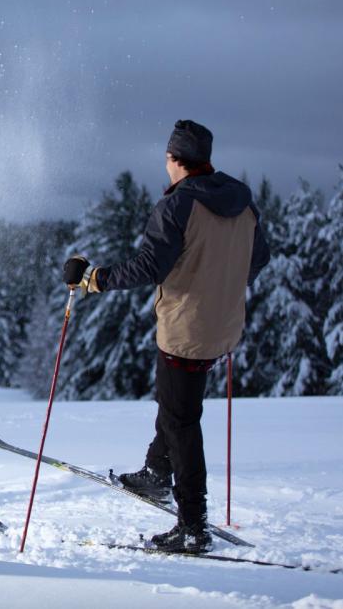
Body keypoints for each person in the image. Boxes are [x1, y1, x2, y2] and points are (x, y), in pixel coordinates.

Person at [62, 120, 270, 554]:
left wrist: (94, 279)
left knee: (181, 421)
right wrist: (223, 286)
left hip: (185, 329)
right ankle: (157, 472)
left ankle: (193, 525)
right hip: (224, 324)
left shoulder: (179, 206)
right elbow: (259, 257)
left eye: (168, 158)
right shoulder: (242, 202)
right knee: (178, 403)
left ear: (175, 159)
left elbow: (148, 267)